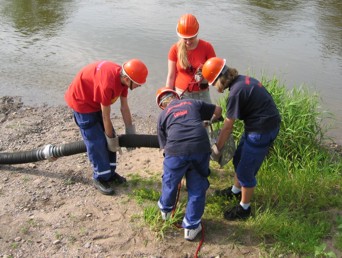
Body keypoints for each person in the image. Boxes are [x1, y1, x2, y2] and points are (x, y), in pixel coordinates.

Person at [202, 57, 281, 220]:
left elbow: (228, 126)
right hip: (256, 125)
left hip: (262, 130)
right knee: (239, 158)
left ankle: (244, 208)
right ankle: (235, 192)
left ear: (219, 80)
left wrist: (217, 148)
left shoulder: (235, 93)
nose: (214, 88)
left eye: (213, 84)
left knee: (246, 171)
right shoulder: (242, 81)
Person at [64, 59, 148, 195]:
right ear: (127, 79)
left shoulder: (123, 80)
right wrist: (110, 139)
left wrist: (130, 132)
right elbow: (106, 117)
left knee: (110, 137)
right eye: (138, 84)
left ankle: (110, 174)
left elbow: (124, 107)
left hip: (95, 99)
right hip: (82, 102)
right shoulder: (108, 83)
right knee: (96, 141)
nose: (139, 86)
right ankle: (100, 177)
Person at [156, 86, 222, 241]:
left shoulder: (162, 115)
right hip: (200, 147)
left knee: (170, 180)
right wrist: (209, 121)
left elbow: (163, 147)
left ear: (162, 105)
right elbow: (218, 110)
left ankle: (166, 210)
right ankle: (191, 227)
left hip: (175, 150)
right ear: (177, 97)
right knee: (197, 187)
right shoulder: (192, 103)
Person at [165, 13, 216, 103]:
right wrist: (168, 96)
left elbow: (215, 73)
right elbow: (171, 76)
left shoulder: (207, 47)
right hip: (182, 94)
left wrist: (205, 75)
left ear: (197, 33)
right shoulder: (174, 49)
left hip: (202, 93)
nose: (188, 42)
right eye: (185, 39)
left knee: (208, 115)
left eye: (191, 38)